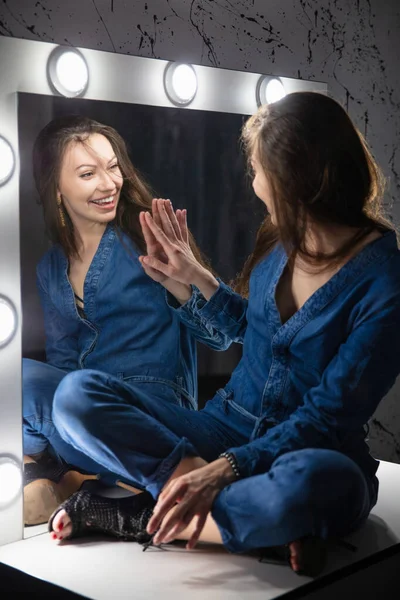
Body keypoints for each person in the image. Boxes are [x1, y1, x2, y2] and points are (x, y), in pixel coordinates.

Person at [46, 92, 400, 577]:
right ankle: (254, 526)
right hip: (225, 424)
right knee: (74, 397)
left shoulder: (385, 283)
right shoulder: (285, 237)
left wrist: (227, 469)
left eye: (257, 172)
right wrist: (192, 279)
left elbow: (327, 417)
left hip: (313, 450)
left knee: (315, 483)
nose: (253, 184)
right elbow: (258, 335)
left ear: (295, 183)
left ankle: (141, 517)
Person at [23, 115, 221, 526]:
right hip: (81, 419)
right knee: (14, 376)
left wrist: (185, 284)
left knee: (71, 396)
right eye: (88, 173)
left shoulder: (147, 235)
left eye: (113, 167)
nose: (109, 183)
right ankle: (70, 474)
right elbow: (62, 364)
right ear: (55, 188)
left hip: (153, 420)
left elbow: (219, 336)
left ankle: (74, 479)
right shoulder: (50, 267)